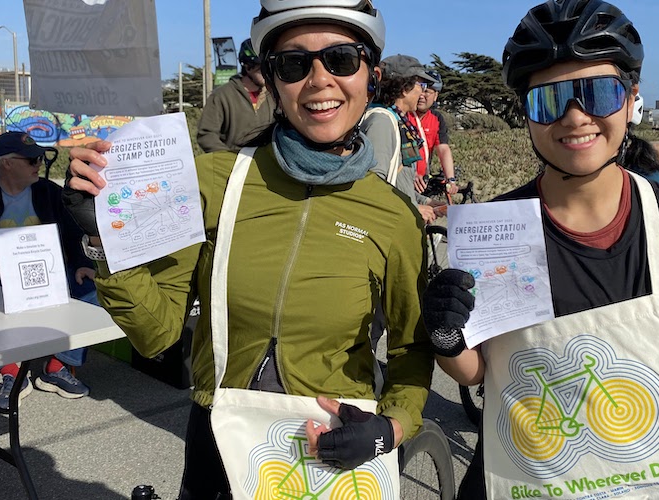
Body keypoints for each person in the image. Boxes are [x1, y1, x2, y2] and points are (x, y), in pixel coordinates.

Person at [62, 1, 432, 498]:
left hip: (337, 443)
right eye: (294, 64)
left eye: (341, 59)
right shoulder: (216, 182)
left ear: (371, 75)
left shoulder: (394, 216)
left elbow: (411, 349)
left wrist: (391, 429)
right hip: (220, 438)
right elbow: (156, 335)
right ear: (274, 81)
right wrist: (104, 242)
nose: (320, 80)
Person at [423, 1, 659, 499]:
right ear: (526, 113)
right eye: (549, 99)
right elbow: (481, 371)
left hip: (653, 481)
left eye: (598, 92)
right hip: (526, 479)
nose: (575, 115)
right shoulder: (493, 227)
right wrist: (447, 337)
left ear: (631, 99)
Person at [0, 131, 96, 409]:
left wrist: (82, 263)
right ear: (7, 163)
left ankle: (57, 366)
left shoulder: (49, 192)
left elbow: (72, 233)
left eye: (39, 158)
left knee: (90, 290)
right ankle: (11, 372)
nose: (38, 164)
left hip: (48, 275)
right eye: (31, 159)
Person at [365, 54, 441, 223]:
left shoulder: (398, 120)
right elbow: (373, 183)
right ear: (404, 88)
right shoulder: (382, 121)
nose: (422, 92)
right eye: (421, 85)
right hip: (386, 223)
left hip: (398, 218)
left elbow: (396, 182)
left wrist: (424, 201)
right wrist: (413, 207)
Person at [196, 38, 276, 153]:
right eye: (261, 68)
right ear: (248, 67)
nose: (266, 73)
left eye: (268, 67)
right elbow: (206, 135)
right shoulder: (222, 96)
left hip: (267, 164)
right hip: (235, 165)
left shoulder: (273, 94)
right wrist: (229, 159)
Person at [415, 70, 459, 195]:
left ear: (435, 96)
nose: (421, 95)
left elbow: (443, 149)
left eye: (427, 92)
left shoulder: (436, 118)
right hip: (402, 178)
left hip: (422, 182)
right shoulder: (404, 114)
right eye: (419, 90)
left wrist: (450, 179)